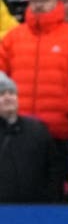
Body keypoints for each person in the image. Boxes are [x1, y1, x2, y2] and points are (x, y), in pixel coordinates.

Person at [0, 0, 68, 201]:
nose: (38, 5)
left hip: (59, 131)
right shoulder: (14, 37)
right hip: (16, 130)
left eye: (44, 0)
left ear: (56, 2)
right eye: (33, 1)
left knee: (54, 190)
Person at [0, 71, 57, 203]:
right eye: (2, 94)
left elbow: (53, 168)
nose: (8, 97)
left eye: (12, 93)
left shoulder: (37, 130)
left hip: (34, 209)